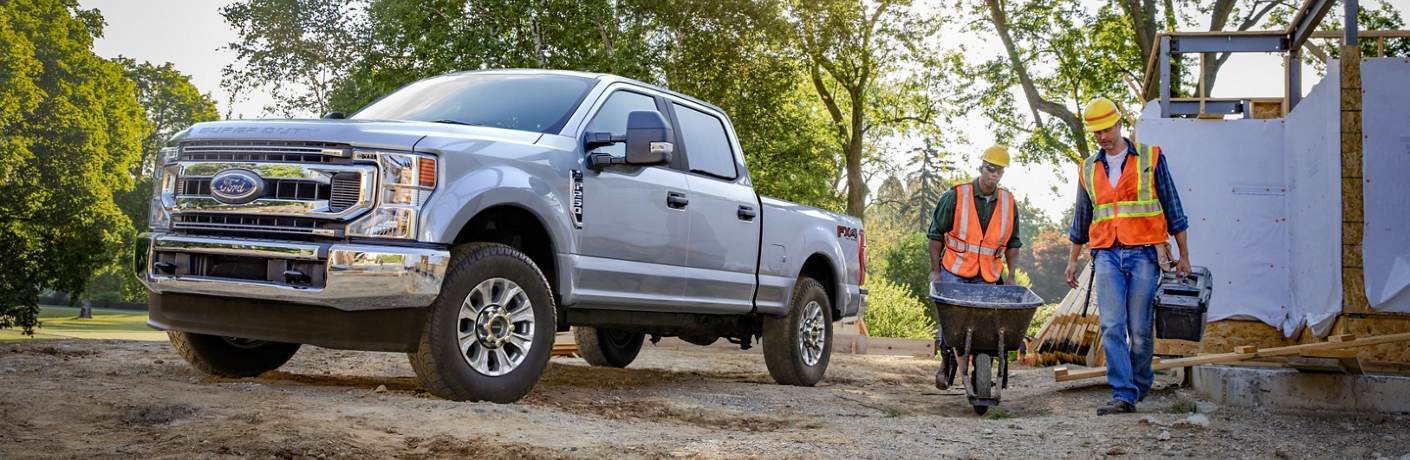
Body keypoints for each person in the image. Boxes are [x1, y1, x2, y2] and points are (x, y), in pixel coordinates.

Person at [1064, 97, 1192, 415]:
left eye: (1106, 130)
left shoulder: (1151, 158)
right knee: (1111, 325)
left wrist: (1184, 255)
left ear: (1120, 124)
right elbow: (1081, 219)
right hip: (1106, 254)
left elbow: (1174, 209)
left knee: (1138, 328)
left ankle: (1139, 383)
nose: (1102, 137)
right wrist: (1072, 259)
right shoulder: (1088, 168)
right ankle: (1123, 392)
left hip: (1145, 254)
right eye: (1096, 133)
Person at [926, 145, 1023, 389]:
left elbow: (1013, 242)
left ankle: (980, 370)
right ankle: (950, 365)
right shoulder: (957, 196)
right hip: (955, 271)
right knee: (954, 325)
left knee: (988, 326)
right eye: (990, 169)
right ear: (981, 167)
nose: (994, 175)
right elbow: (936, 234)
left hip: (988, 275)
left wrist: (1011, 275)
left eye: (999, 171)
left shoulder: (1009, 203)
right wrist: (936, 271)